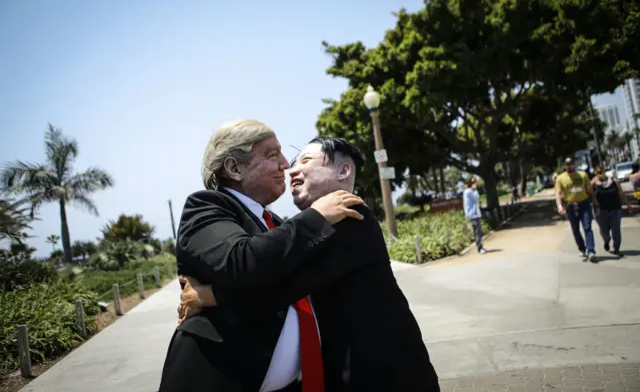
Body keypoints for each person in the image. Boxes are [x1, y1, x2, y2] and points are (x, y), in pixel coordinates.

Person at [178, 136, 441, 392]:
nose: (291, 169)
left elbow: (288, 286)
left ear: (343, 170)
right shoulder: (300, 230)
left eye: (305, 160)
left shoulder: (353, 217)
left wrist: (209, 295)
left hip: (390, 375)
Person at [158, 120, 367, 392]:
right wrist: (317, 216)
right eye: (272, 155)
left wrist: (213, 296)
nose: (285, 164)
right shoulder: (207, 206)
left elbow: (293, 287)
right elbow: (242, 261)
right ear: (234, 168)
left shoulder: (276, 225)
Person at [555, 157, 599, 262]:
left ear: (574, 164)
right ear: (565, 166)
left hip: (584, 204)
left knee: (587, 227)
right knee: (575, 230)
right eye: (567, 165)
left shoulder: (583, 175)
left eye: (571, 164)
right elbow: (558, 193)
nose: (570, 166)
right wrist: (560, 205)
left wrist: (596, 205)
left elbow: (590, 191)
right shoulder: (560, 178)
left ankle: (591, 251)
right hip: (570, 206)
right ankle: (582, 249)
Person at [591, 165, 631, 256]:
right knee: (604, 231)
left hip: (615, 209)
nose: (600, 173)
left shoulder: (613, 181)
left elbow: (621, 194)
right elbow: (590, 195)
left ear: (605, 171)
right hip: (601, 211)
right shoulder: (593, 183)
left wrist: (628, 204)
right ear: (596, 173)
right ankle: (606, 241)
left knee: (616, 229)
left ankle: (617, 249)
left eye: (602, 171)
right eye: (598, 172)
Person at [463, 177, 486, 255]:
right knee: (477, 232)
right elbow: (476, 199)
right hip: (474, 215)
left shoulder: (467, 191)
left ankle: (481, 247)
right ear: (470, 184)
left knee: (478, 232)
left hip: (474, 214)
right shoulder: (469, 191)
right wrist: (475, 189)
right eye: (473, 183)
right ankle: (479, 249)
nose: (474, 184)